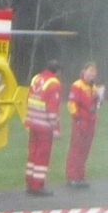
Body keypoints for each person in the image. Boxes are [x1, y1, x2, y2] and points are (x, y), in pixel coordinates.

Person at [24, 60, 62, 194]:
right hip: (44, 126)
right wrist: (56, 129)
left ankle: (29, 182)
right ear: (57, 71)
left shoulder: (36, 78)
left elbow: (29, 98)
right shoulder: (54, 83)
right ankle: (38, 185)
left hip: (32, 122)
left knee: (33, 153)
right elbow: (52, 109)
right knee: (42, 156)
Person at [65, 62, 104, 189]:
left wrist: (99, 97)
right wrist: (77, 118)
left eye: (94, 72)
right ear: (84, 71)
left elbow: (96, 106)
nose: (92, 74)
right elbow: (71, 103)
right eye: (90, 71)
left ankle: (80, 176)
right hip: (81, 122)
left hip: (91, 122)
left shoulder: (94, 88)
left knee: (85, 150)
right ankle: (72, 177)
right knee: (76, 149)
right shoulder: (77, 85)